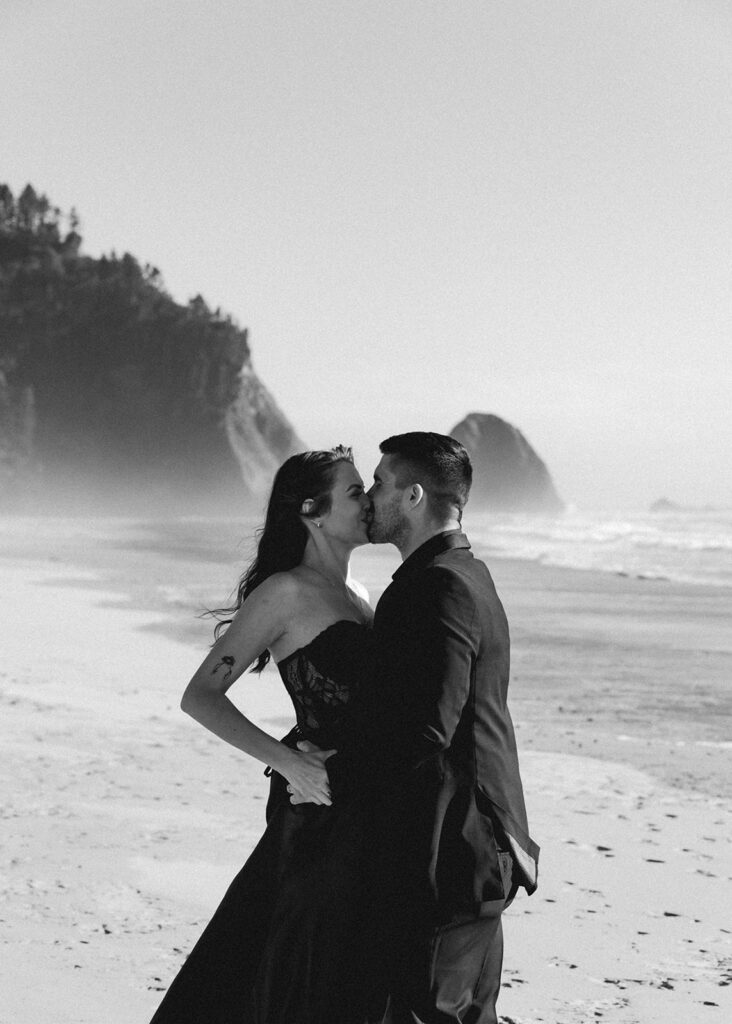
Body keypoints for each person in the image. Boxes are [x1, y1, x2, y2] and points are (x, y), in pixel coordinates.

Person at [295, 432, 539, 1024]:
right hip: (475, 846)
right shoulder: (464, 574)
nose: (371, 496)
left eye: (379, 483)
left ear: (413, 496)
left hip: (457, 852)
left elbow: (425, 729)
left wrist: (320, 773)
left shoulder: (440, 588)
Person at [148, 445, 385, 1024]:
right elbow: (199, 696)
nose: (370, 500)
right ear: (313, 511)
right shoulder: (285, 592)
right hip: (314, 813)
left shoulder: (365, 596)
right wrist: (288, 762)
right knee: (277, 974)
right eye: (355, 491)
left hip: (366, 807)